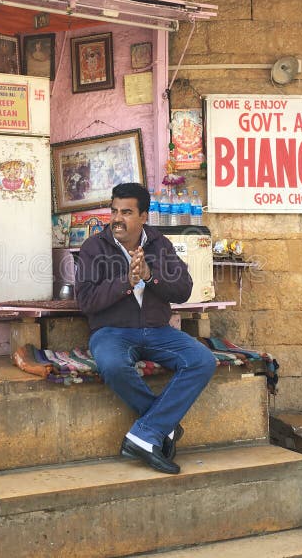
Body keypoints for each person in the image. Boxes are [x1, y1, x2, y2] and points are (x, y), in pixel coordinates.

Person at [75, 182, 216, 474]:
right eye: (114, 211)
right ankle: (163, 428)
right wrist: (125, 282)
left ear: (143, 216)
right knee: (113, 365)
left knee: (202, 360)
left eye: (126, 212)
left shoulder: (160, 245)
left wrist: (151, 276)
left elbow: (183, 289)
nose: (117, 219)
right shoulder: (93, 248)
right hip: (111, 332)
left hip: (157, 331)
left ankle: (144, 433)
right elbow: (86, 301)